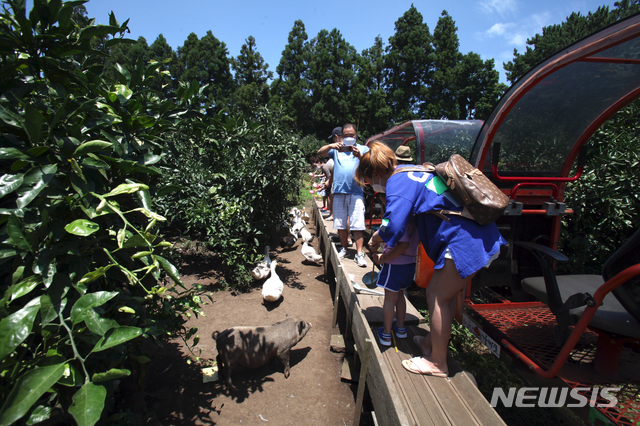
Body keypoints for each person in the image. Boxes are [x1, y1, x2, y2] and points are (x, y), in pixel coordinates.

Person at [355, 141, 506, 377]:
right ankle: (430, 345)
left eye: (367, 183)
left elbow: (392, 225)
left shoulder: (396, 180)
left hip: (464, 240)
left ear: (375, 174)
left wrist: (375, 238)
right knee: (440, 295)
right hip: (475, 235)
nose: (371, 188)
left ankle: (437, 363)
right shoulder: (415, 170)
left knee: (437, 297)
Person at [317, 124, 370, 267]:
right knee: (340, 224)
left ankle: (359, 253)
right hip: (339, 191)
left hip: (356, 191)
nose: (349, 137)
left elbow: (371, 163)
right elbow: (320, 152)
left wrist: (360, 155)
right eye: (346, 135)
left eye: (351, 135)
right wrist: (332, 146)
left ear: (356, 135)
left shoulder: (363, 149)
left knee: (357, 225)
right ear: (341, 136)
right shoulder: (336, 150)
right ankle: (344, 248)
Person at [369, 221, 419, 347]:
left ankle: (386, 334)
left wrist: (382, 257)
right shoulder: (414, 218)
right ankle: (401, 328)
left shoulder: (397, 215)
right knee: (400, 295)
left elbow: (385, 230)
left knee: (390, 300)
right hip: (410, 264)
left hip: (394, 264)